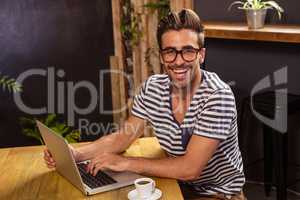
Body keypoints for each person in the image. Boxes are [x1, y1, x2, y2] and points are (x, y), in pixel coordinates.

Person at [44, 9, 246, 200]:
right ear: (161, 56)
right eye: (170, 52)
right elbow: (123, 137)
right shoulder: (153, 88)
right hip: (174, 183)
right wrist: (77, 155)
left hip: (217, 193)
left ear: (201, 55)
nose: (178, 61)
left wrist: (125, 163)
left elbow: (190, 169)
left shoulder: (218, 97)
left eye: (188, 51)